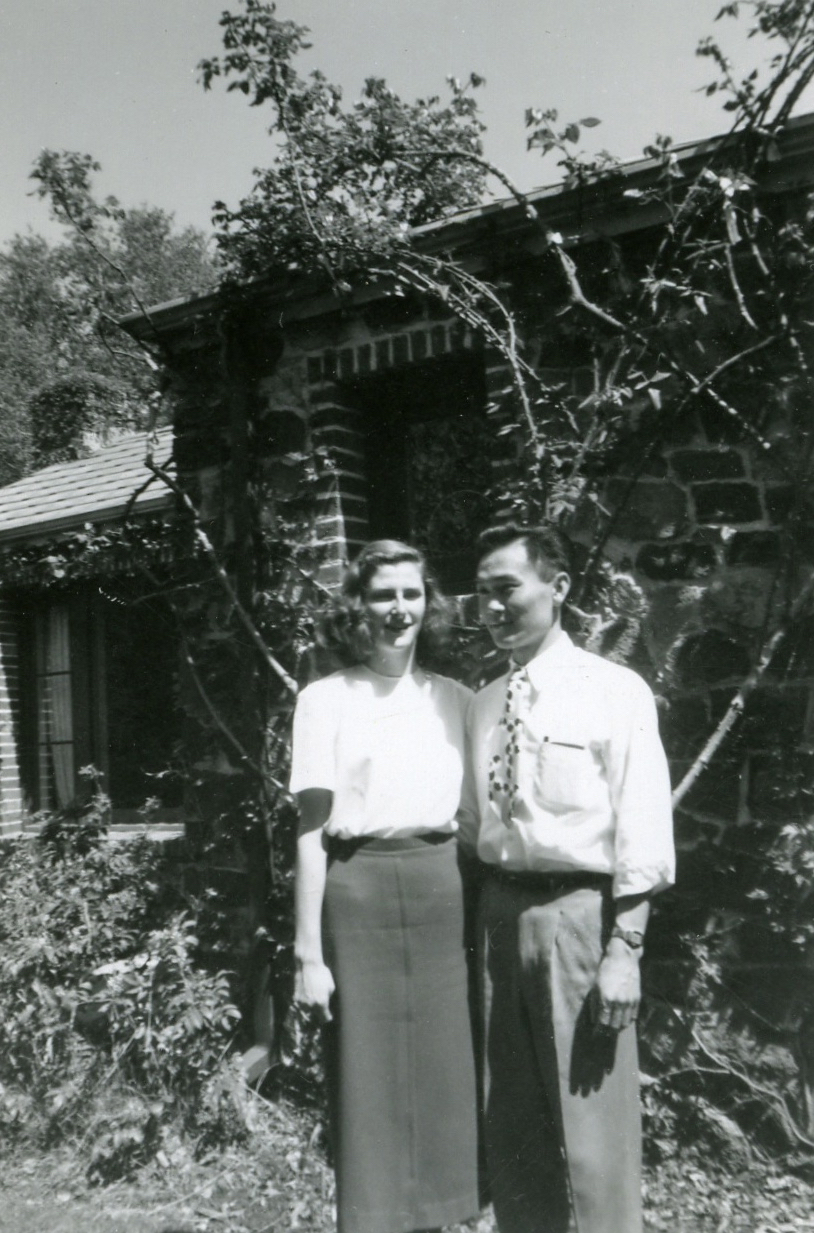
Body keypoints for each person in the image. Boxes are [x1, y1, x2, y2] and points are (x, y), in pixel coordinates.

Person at [459, 522, 675, 1233]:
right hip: (498, 916)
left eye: (507, 589)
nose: (491, 607)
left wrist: (626, 947)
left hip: (581, 917)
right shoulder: (483, 704)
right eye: (482, 593)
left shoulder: (614, 690)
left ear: (559, 587)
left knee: (594, 1129)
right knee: (512, 1120)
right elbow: (474, 825)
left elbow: (642, 822)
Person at [289, 539, 480, 1233]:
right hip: (357, 890)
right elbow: (311, 829)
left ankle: (440, 1218)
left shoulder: (456, 699)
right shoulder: (324, 699)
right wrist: (308, 954)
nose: (399, 608)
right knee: (365, 1075)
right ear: (357, 606)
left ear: (430, 603)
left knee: (444, 1073)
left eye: (411, 593)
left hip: (441, 892)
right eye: (382, 595)